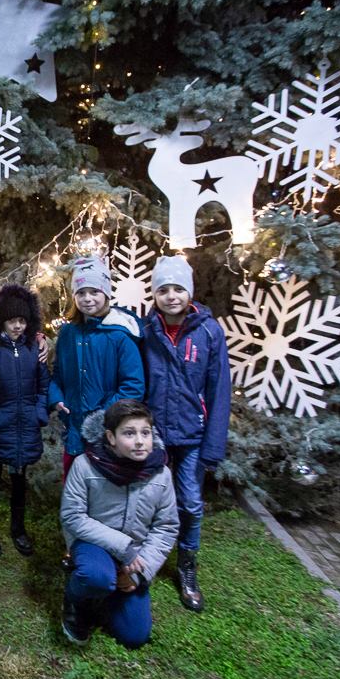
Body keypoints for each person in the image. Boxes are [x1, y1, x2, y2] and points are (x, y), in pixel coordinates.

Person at [142, 254, 231, 613]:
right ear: (155, 294)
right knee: (149, 499)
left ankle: (187, 566)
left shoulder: (209, 332)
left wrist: (213, 445)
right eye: (163, 290)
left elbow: (219, 390)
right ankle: (146, 559)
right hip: (155, 434)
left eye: (178, 289)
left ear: (189, 292)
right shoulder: (147, 331)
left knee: (190, 503)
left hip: (192, 434)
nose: (171, 296)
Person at [48, 255, 144, 570]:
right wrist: (57, 398)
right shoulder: (68, 334)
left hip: (105, 431)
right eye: (81, 293)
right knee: (74, 491)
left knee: (104, 492)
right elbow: (57, 376)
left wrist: (104, 414)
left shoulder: (119, 334)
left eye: (94, 292)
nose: (88, 299)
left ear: (106, 293)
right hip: (74, 429)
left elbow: (133, 384)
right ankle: (73, 547)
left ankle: (108, 550)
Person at [59, 400, 178, 649]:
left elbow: (166, 526)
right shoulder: (85, 465)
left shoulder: (161, 474)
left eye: (145, 433)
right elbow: (73, 516)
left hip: (136, 557)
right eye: (129, 433)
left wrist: (141, 574)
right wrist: (123, 546)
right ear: (111, 437)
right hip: (94, 545)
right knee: (96, 576)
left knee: (135, 636)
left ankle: (109, 592)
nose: (139, 441)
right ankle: (76, 599)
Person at [0, 283, 49, 559]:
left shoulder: (34, 348)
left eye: (22, 321)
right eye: (12, 320)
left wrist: (39, 413)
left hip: (26, 426)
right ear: (1, 321)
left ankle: (18, 529)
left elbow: (43, 385)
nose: (17, 326)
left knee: (19, 482)